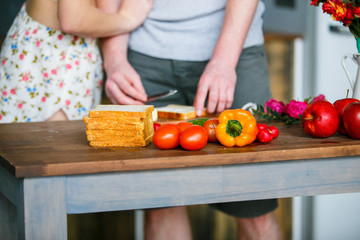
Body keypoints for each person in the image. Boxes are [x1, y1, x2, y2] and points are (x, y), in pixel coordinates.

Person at [100, 0, 283, 239]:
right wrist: (114, 60)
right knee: (161, 207)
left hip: (237, 49)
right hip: (146, 56)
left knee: (254, 205)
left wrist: (224, 61)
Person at [0, 0, 152, 123]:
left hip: (57, 52)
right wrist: (127, 19)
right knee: (48, 152)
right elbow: (74, 19)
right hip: (54, 57)